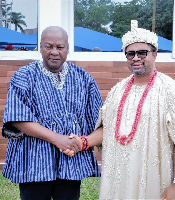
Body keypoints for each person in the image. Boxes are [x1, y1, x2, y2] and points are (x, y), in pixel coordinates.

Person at [64, 20, 175, 199]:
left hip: (155, 178)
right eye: (130, 54)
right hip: (119, 178)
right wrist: (84, 142)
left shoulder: (170, 91)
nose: (136, 58)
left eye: (142, 53)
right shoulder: (117, 90)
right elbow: (111, 129)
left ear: (155, 54)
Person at [1, 26, 103, 200]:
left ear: (68, 49)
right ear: (40, 48)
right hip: (33, 162)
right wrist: (59, 139)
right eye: (49, 46)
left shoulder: (84, 79)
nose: (54, 52)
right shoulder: (23, 76)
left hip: (70, 163)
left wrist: (81, 142)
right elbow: (18, 118)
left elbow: (101, 122)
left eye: (60, 47)